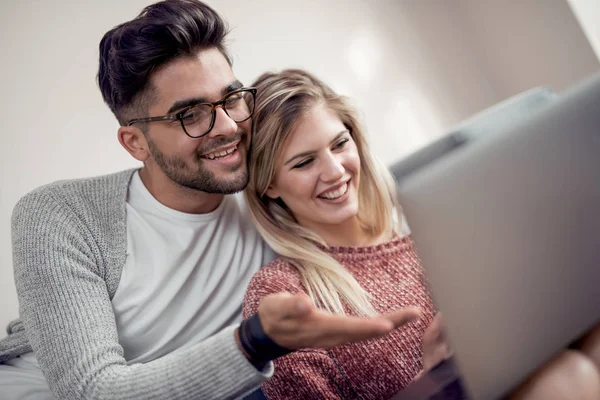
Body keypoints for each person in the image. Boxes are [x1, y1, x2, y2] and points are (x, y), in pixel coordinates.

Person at [0, 1, 422, 399]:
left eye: (231, 98)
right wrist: (255, 340)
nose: (226, 127)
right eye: (190, 114)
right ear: (135, 143)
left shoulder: (267, 193)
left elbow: (359, 218)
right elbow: (92, 391)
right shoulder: (63, 216)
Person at [241, 69, 600, 399]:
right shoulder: (280, 294)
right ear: (269, 185)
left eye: (340, 144)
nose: (335, 171)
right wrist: (435, 378)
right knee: (567, 378)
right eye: (304, 162)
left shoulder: (431, 234)